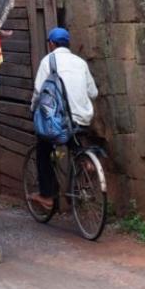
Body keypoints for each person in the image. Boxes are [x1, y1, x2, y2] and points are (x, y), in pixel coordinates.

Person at [27, 27, 98, 211]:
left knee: (43, 149)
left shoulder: (48, 61)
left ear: (51, 44)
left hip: (60, 121)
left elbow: (38, 91)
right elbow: (94, 92)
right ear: (68, 43)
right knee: (73, 140)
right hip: (82, 119)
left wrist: (33, 109)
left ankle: (46, 195)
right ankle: (86, 162)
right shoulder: (80, 62)